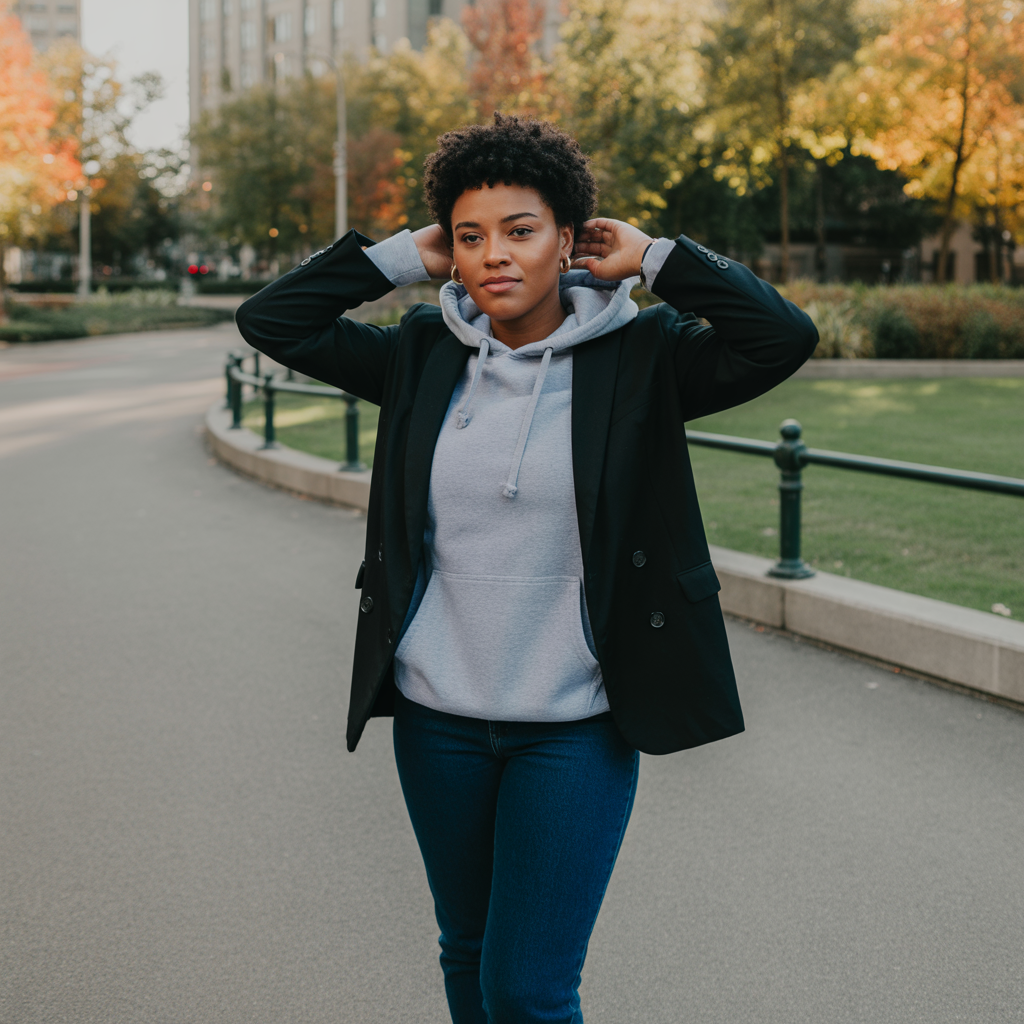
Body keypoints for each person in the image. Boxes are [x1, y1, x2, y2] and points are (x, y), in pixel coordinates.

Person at [235, 113, 818, 1024]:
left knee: (529, 988)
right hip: (437, 718)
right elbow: (271, 320)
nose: (493, 255)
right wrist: (398, 258)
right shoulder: (420, 354)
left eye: (519, 230)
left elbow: (781, 338)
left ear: (568, 239)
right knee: (466, 951)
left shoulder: (644, 356)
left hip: (574, 724)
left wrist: (658, 259)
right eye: (470, 237)